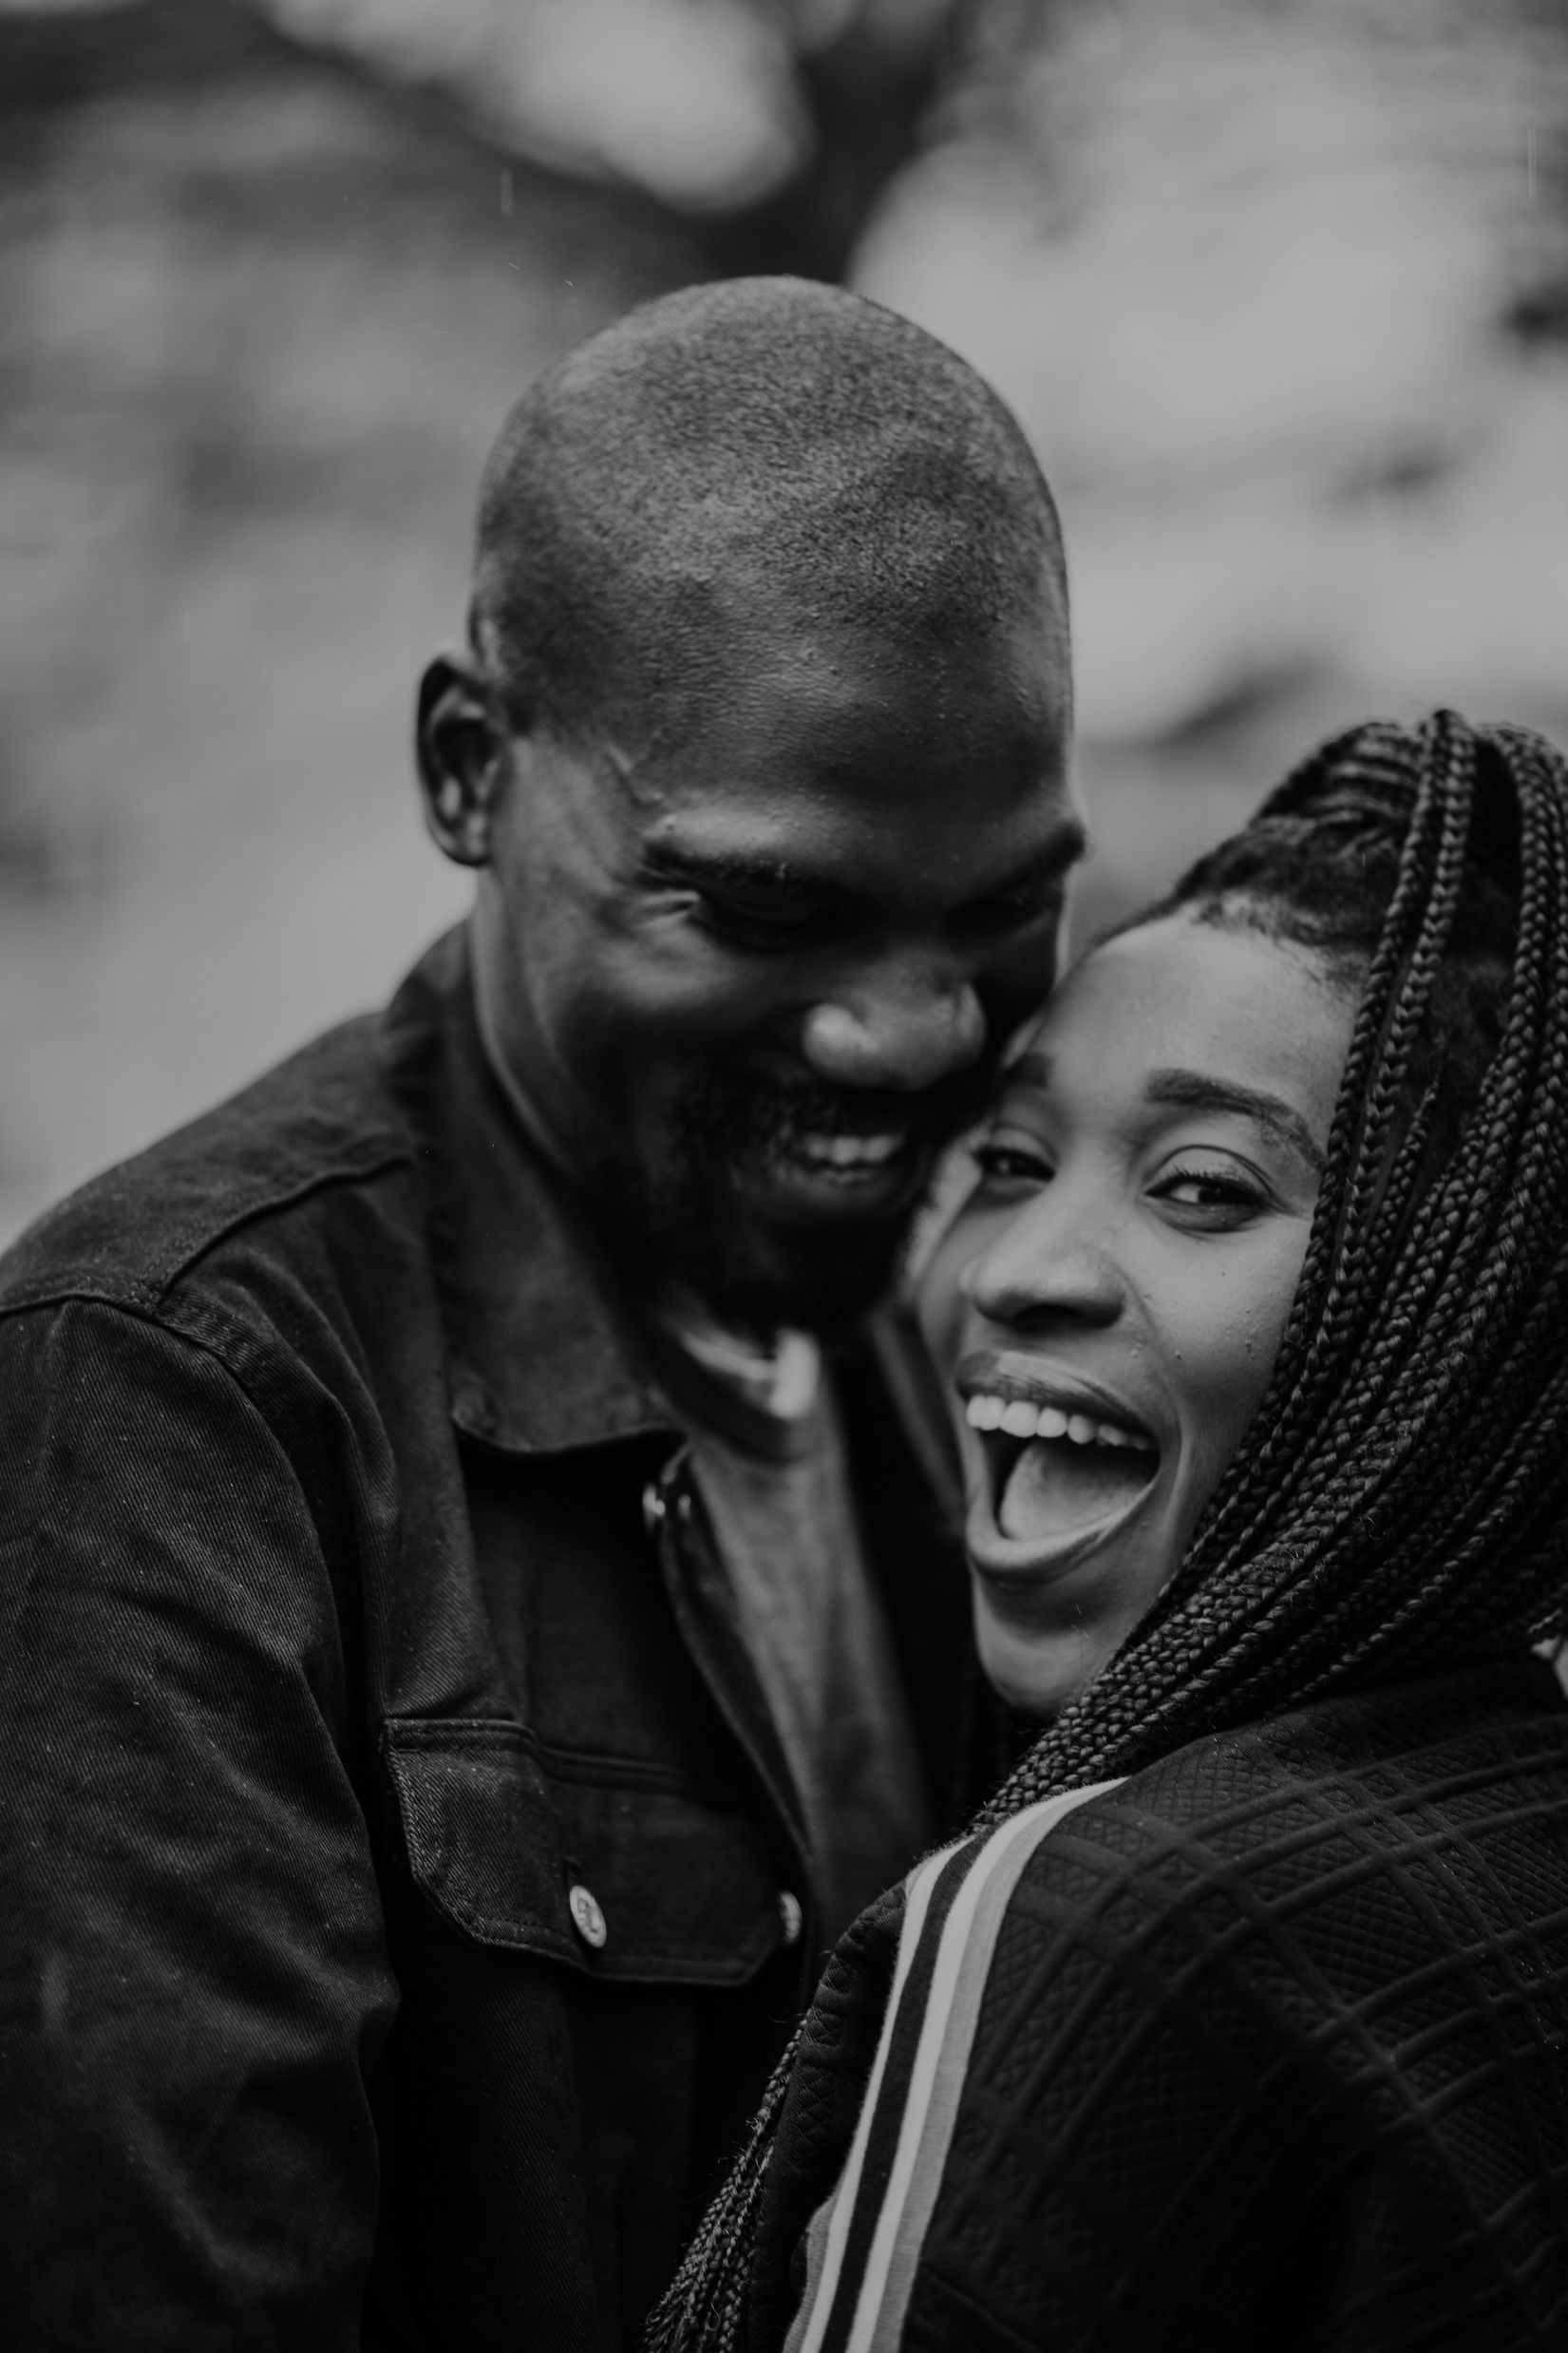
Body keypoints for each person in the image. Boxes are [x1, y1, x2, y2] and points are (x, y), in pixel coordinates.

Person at [0, 278, 1085, 2349]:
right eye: (769, 906)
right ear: (472, 769)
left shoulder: (978, 1347)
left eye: (1005, 909)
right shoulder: (171, 1396)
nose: (914, 1033)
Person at [651, 710, 1568, 2353]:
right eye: (1009, 1158)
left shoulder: (1112, 1915)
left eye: (1203, 1186)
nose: (1017, 1267)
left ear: (1460, 1317)